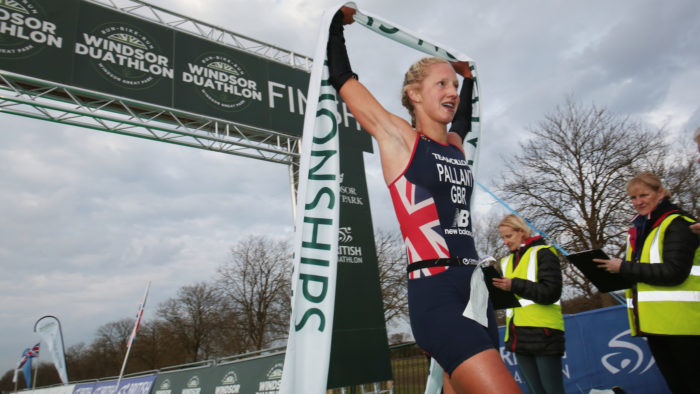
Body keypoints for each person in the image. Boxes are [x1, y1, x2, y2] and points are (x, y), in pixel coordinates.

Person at [326, 6, 520, 394]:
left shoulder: (455, 145)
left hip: (476, 291)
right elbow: (345, 81)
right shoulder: (399, 139)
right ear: (414, 94)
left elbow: (463, 119)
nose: (452, 92)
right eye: (441, 85)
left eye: (454, 87)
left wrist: (468, 78)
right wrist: (336, 24)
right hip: (437, 293)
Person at [594, 172, 700, 394]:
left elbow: (674, 272)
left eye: (643, 195)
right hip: (656, 325)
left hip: (685, 325)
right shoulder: (641, 229)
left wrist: (622, 267)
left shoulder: (677, 223)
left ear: (660, 193)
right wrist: (609, 273)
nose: (638, 202)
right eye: (633, 198)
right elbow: (642, 274)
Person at [492, 214, 566, 394]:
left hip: (544, 333)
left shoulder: (544, 253)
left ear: (522, 232)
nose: (505, 242)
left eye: (508, 236)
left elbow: (551, 292)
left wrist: (514, 284)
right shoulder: (506, 261)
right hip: (519, 335)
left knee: (552, 390)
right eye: (503, 237)